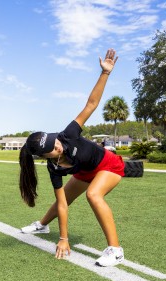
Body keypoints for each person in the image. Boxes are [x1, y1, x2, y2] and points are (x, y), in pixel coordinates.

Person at [19, 49, 125, 267]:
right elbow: (62, 205)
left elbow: (91, 104)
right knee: (63, 199)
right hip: (85, 171)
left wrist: (105, 73)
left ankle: (115, 250)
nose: (57, 145)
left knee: (94, 195)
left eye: (54, 141)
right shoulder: (54, 167)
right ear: (43, 156)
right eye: (52, 148)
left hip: (108, 164)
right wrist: (63, 238)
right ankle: (43, 225)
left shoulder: (68, 134)